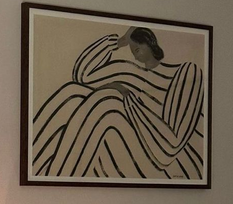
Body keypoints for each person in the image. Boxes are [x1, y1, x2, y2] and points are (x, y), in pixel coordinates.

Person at [32, 27, 205, 181]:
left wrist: (126, 98)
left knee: (107, 103)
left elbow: (169, 149)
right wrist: (119, 42)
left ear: (149, 43)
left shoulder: (186, 73)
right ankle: (35, 173)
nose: (134, 55)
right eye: (133, 51)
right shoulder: (132, 72)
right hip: (128, 152)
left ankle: (55, 189)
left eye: (137, 49)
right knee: (74, 92)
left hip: (169, 168)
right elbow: (81, 76)